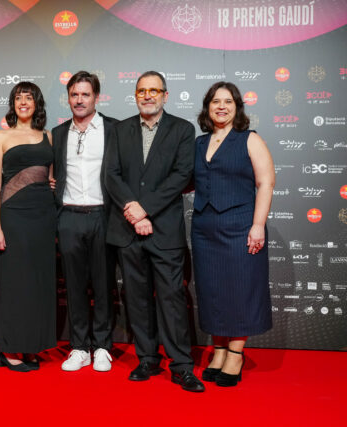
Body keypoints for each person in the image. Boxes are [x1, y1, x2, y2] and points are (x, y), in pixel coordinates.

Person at [104, 71, 205, 392]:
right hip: (128, 230)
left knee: (172, 298)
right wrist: (134, 213)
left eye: (154, 90)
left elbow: (182, 175)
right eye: (141, 91)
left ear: (165, 95)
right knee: (136, 299)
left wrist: (144, 209)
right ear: (135, 95)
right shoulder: (119, 130)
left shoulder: (182, 129)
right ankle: (147, 358)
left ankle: (181, 365)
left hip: (164, 230)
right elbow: (111, 175)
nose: (147, 96)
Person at [192, 81, 275, 387]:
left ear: (237, 107)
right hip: (204, 228)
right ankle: (218, 351)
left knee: (239, 290)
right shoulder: (199, 143)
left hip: (240, 226)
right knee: (212, 290)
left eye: (228, 101)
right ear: (208, 107)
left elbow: (266, 182)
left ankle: (235, 354)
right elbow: (187, 181)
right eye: (216, 101)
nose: (221, 107)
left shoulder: (249, 139)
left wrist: (257, 225)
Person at [52, 71, 117, 372]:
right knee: (74, 286)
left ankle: (102, 346)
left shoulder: (114, 129)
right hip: (69, 216)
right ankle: (79, 347)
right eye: (74, 94)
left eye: (85, 94)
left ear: (96, 97)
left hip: (103, 215)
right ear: (68, 98)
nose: (79, 100)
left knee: (103, 285)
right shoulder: (58, 133)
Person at [0, 81, 57, 372]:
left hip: (43, 216)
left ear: (37, 103)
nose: (23, 102)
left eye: (29, 97)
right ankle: (9, 348)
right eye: (18, 98)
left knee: (38, 283)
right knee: (15, 283)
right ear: (13, 104)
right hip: (13, 217)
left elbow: (51, 177)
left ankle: (31, 345)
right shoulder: (1, 136)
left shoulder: (48, 136)